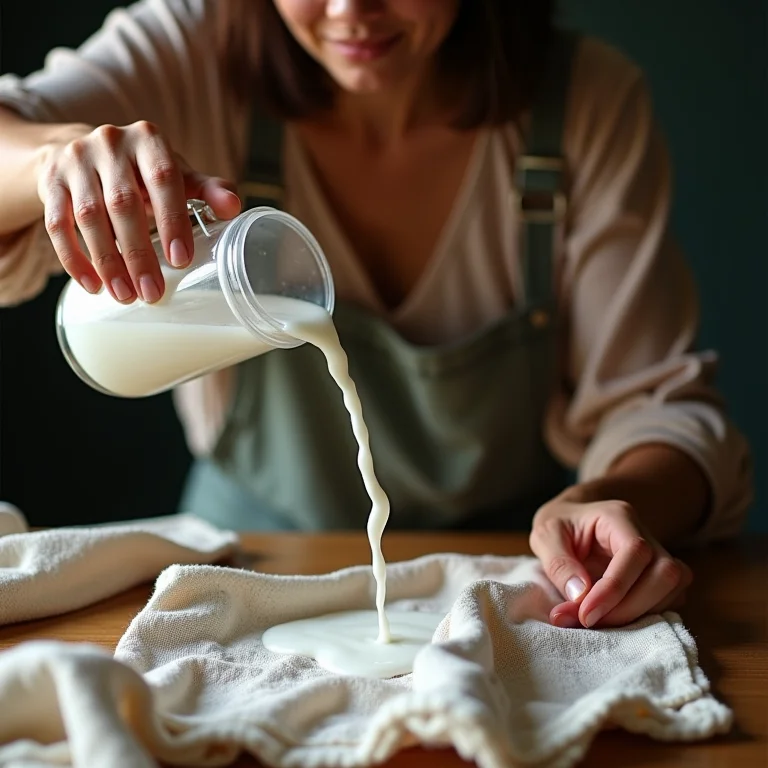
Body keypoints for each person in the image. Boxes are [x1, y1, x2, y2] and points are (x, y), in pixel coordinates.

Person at [0, 0, 752, 630]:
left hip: (511, 584)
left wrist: (608, 506)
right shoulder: (191, 48)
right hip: (245, 568)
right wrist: (49, 158)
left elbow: (659, 407)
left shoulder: (586, 102)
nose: (347, 10)